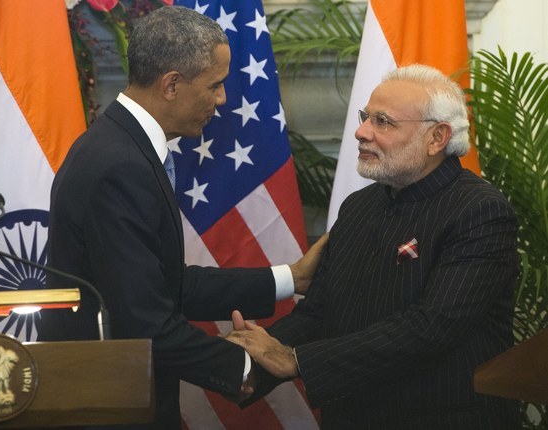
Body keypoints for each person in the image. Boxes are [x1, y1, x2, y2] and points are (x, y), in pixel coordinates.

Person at [35, 6, 327, 430]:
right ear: (172, 84)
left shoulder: (118, 145)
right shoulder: (121, 166)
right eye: (216, 85)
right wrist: (248, 367)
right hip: (110, 407)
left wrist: (291, 278)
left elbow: (163, 282)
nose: (223, 99)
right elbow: (143, 321)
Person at [227, 64, 520, 429]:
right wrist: (248, 362)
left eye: (383, 122)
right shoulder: (359, 205)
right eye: (367, 117)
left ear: (437, 137)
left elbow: (431, 327)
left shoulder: (479, 211)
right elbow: (319, 313)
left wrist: (297, 360)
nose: (361, 132)